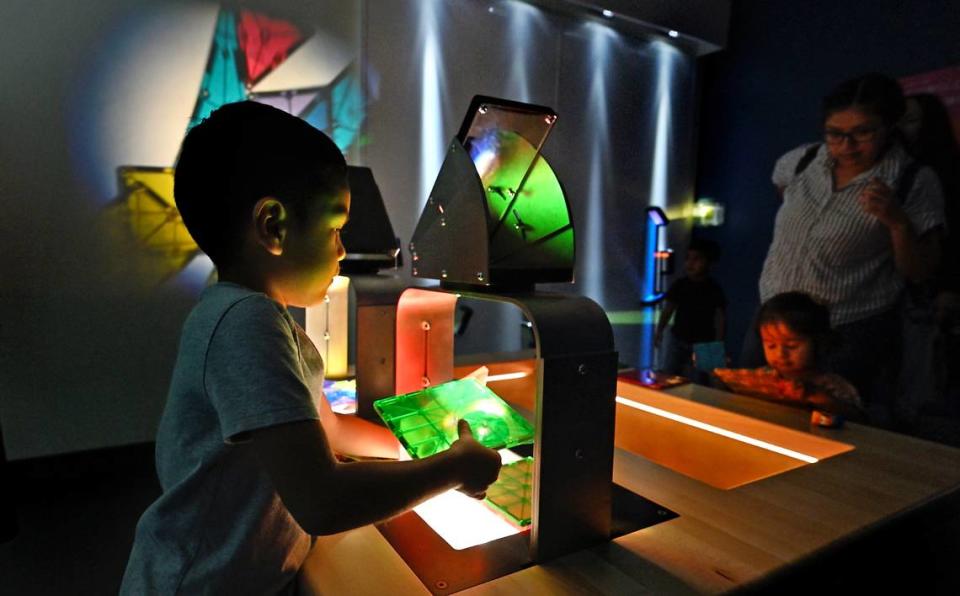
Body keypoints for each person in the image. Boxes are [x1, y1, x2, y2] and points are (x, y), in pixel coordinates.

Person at [120, 102, 502, 595]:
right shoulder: (245, 324)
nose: (342, 250)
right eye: (334, 228)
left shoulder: (262, 320)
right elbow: (323, 502)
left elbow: (331, 428)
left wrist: (419, 447)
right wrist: (453, 469)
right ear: (273, 227)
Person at [746, 73, 945, 420]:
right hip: (773, 321)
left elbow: (920, 271)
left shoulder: (912, 180)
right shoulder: (802, 161)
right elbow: (783, 194)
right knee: (753, 411)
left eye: (863, 132)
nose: (846, 146)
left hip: (843, 331)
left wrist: (896, 222)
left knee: (828, 426)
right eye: (835, 133)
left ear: (889, 126)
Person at [897, 92, 960, 421]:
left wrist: (950, 288)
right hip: (900, 290)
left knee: (923, 382)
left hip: (931, 292)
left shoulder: (945, 173)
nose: (901, 128)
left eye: (910, 120)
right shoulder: (897, 170)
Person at [716, 292, 865, 422]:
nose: (781, 354)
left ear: (818, 342)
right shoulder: (763, 376)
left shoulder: (834, 386)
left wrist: (814, 396)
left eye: (792, 346)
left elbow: (859, 422)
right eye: (771, 346)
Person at [654, 238, 726, 380]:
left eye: (696, 259)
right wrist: (659, 331)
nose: (690, 263)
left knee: (702, 379)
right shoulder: (680, 285)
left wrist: (718, 343)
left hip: (705, 342)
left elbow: (720, 318)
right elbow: (668, 309)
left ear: (708, 262)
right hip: (679, 338)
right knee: (669, 373)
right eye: (688, 258)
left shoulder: (713, 289)